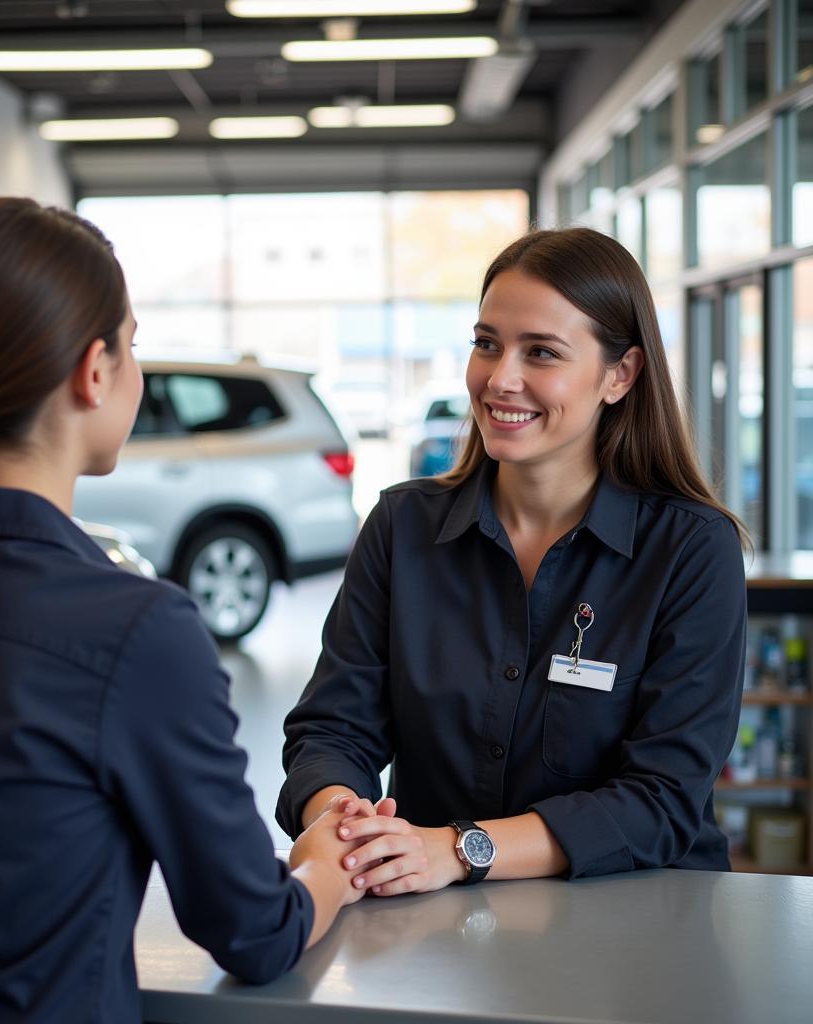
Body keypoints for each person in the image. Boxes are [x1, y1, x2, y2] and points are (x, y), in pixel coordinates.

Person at [0, 198, 363, 1023]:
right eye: (133, 344)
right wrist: (326, 870)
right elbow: (255, 933)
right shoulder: (138, 631)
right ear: (94, 372)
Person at [277, 227, 748, 894]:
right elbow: (333, 727)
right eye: (486, 344)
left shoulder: (691, 550)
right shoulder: (402, 528)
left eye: (542, 353)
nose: (501, 379)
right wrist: (344, 821)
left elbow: (663, 797)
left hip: (636, 932)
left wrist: (460, 849)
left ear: (620, 375)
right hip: (432, 931)